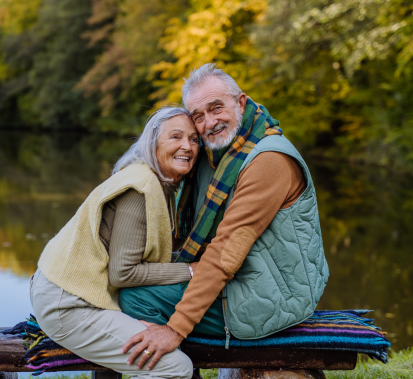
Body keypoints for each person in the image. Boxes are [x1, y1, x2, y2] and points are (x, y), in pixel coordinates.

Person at [119, 64, 329, 371]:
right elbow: (186, 234)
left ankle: (175, 372)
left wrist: (174, 330)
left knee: (135, 300)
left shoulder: (268, 160)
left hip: (273, 294)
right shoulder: (216, 155)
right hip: (249, 276)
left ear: (240, 103)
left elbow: (225, 252)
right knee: (129, 279)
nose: (209, 122)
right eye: (199, 116)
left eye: (217, 108)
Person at [30, 107, 201, 379]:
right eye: (176, 137)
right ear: (152, 143)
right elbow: (123, 273)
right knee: (176, 368)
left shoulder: (157, 182)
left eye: (193, 139)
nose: (187, 146)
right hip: (68, 304)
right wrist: (192, 271)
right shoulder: (140, 189)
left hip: (79, 292)